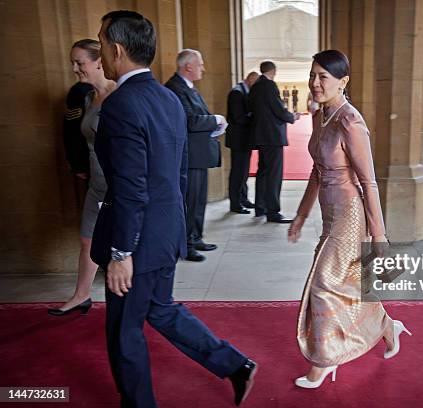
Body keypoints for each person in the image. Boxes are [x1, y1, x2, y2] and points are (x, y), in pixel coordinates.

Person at [91, 11, 257, 407]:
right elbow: (175, 174)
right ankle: (235, 364)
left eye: (100, 43)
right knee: (161, 310)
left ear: (116, 50)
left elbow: (132, 187)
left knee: (124, 330)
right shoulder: (167, 98)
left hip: (139, 240)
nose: (99, 52)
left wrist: (121, 252)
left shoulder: (121, 104)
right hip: (166, 231)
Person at [288, 50, 411, 389]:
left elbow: (368, 183)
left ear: (343, 82)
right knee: (347, 284)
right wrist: (301, 215)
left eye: (322, 77)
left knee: (325, 283)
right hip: (329, 213)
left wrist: (379, 237)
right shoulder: (320, 116)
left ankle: (323, 361)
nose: (314, 83)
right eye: (312, 75)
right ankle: (387, 325)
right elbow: (316, 171)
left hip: (349, 213)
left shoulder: (350, 121)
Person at [49, 39, 115, 316]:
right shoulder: (88, 97)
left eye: (80, 62)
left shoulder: (121, 95)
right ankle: (81, 295)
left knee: (122, 246)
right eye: (72, 63)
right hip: (96, 184)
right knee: (87, 240)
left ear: (100, 62)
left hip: (118, 185)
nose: (75, 69)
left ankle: (136, 302)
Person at [165, 49, 221, 262]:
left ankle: (195, 237)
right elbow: (189, 120)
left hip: (199, 154)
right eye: (200, 64)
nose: (203, 68)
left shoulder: (189, 88)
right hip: (188, 155)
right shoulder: (175, 88)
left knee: (199, 199)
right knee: (189, 201)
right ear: (188, 66)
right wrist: (215, 119)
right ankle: (186, 244)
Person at [249, 61, 300, 223]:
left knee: (263, 172)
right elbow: (278, 108)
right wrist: (292, 117)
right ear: (273, 71)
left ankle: (260, 208)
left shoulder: (256, 86)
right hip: (272, 136)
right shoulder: (269, 86)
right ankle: (273, 211)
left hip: (262, 136)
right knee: (273, 175)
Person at [226, 71, 259, 214]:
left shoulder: (243, 91)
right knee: (238, 172)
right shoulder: (236, 93)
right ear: (250, 80)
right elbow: (238, 117)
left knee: (244, 171)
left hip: (244, 139)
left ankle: (243, 199)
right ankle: (235, 203)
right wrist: (254, 117)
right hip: (238, 139)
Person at [63, 81, 93, 179]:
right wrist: (78, 165)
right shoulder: (80, 90)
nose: (76, 69)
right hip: (91, 161)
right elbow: (72, 132)